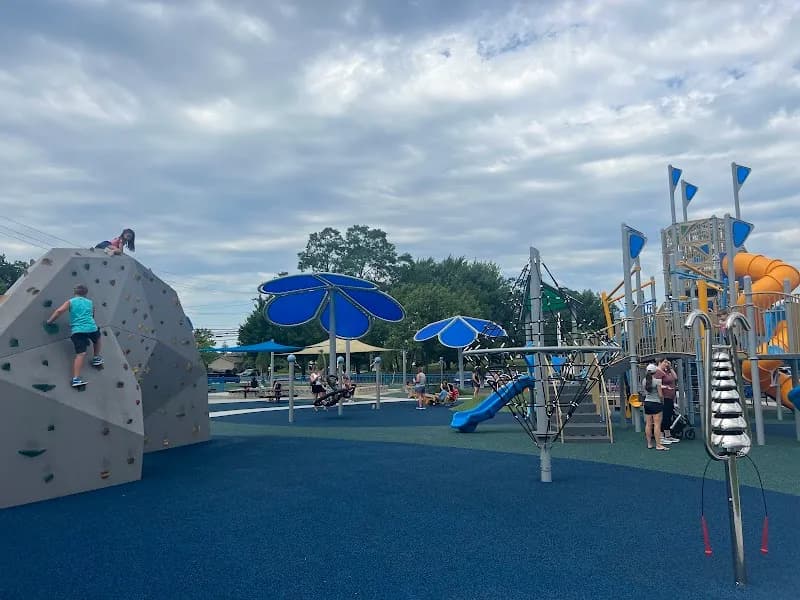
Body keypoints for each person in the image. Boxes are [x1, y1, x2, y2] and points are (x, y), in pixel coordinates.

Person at [45, 284, 103, 387]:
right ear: (86, 294)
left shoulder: (71, 302)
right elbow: (92, 314)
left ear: (74, 292)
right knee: (97, 338)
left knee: (81, 354)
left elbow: (59, 311)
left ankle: (76, 379)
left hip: (78, 330)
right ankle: (96, 357)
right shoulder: (90, 302)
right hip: (91, 327)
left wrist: (50, 321)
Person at [642, 363, 667, 451]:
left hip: (647, 403)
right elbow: (660, 395)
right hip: (656, 403)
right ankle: (658, 445)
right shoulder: (657, 381)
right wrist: (662, 401)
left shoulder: (644, 380)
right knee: (657, 425)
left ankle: (649, 444)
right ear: (655, 372)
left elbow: (645, 392)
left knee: (648, 424)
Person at [655, 358, 679, 444]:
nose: (666, 363)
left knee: (668, 416)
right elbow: (657, 385)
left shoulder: (666, 371)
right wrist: (661, 396)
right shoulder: (658, 372)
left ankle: (668, 435)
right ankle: (661, 436)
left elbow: (675, 377)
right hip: (664, 398)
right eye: (665, 362)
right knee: (664, 416)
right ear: (660, 362)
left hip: (670, 397)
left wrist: (670, 367)